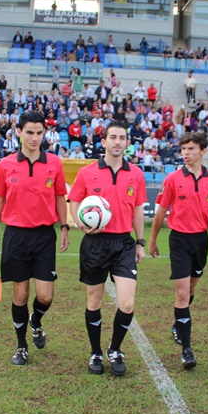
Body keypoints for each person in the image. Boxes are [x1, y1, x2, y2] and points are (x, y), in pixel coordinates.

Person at [0, 111, 69, 366]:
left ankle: (36, 321)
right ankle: (21, 346)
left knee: (45, 296)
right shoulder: (6, 164)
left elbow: (59, 197)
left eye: (39, 132)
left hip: (44, 236)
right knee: (20, 295)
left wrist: (64, 226)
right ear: (19, 132)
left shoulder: (54, 163)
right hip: (16, 236)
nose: (35, 138)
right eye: (30, 132)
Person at [148, 132, 208, 369]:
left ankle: (179, 321)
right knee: (183, 293)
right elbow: (160, 213)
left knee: (192, 286)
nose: (186, 153)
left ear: (203, 151)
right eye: (183, 149)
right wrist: (153, 240)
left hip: (201, 241)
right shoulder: (173, 179)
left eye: (191, 149)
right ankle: (186, 349)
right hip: (178, 240)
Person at [68, 121, 147, 376]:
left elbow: (137, 210)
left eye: (122, 137)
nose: (117, 142)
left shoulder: (135, 173)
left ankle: (115, 348)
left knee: (127, 302)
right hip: (95, 243)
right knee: (94, 300)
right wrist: (81, 223)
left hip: (124, 243)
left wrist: (140, 242)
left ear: (127, 142)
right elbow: (75, 201)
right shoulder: (87, 172)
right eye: (112, 137)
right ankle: (95, 352)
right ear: (103, 142)